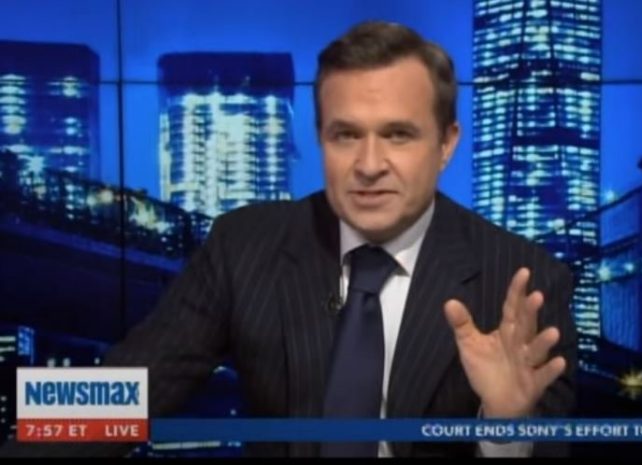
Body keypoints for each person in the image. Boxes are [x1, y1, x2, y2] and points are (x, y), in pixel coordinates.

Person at [1, 20, 576, 458]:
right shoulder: (246, 245)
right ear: (320, 138)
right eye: (345, 135)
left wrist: (507, 427)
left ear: (446, 143)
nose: (369, 164)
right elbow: (128, 386)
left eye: (398, 135)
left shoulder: (522, 280)